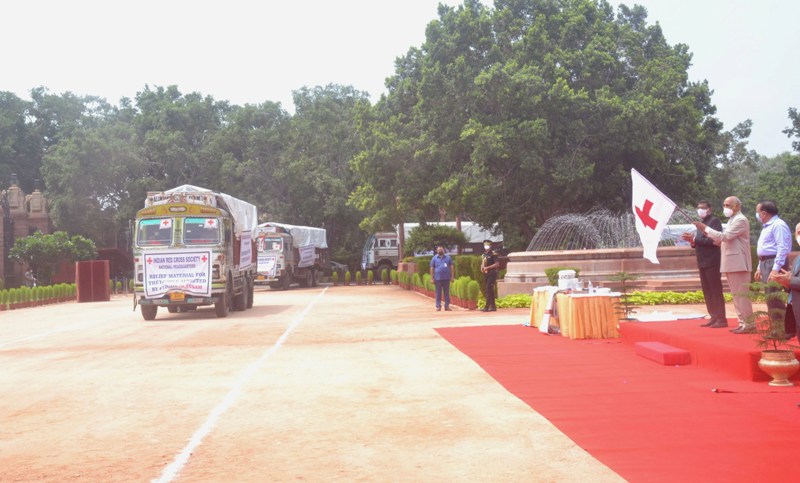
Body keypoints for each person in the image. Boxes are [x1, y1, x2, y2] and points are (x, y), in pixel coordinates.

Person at [693, 196, 753, 333]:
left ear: (737, 206)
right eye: (724, 205)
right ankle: (742, 322)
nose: (725, 208)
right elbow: (724, 240)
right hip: (732, 262)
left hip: (739, 262)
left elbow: (725, 237)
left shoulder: (741, 220)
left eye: (728, 205)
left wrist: (706, 229)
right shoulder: (732, 220)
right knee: (736, 295)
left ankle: (749, 323)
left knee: (742, 295)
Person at [681, 200, 726, 328]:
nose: (700, 210)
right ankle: (713, 316)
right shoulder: (701, 224)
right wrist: (693, 241)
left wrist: (694, 239)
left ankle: (721, 318)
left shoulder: (714, 222)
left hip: (712, 260)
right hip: (702, 260)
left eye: (703, 208)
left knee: (715, 289)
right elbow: (701, 242)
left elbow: (713, 241)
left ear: (709, 209)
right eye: (698, 208)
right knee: (707, 290)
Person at [754, 200, 792, 330]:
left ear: (764, 213)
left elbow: (782, 248)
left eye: (758, 212)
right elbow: (764, 249)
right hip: (766, 262)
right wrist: (760, 266)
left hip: (774, 263)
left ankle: (782, 328)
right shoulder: (767, 226)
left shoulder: (778, 225)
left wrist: (775, 269)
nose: (757, 215)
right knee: (770, 297)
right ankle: (778, 326)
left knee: (774, 297)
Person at [771, 222, 800, 340]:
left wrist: (791, 280)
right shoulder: (797, 258)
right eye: (799, 233)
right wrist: (785, 281)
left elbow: (794, 280)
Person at [429, 244, 454, 311]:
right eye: (439, 249)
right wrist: (431, 278)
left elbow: (451, 267)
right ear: (437, 251)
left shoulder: (448, 258)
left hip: (446, 278)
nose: (440, 250)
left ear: (443, 250)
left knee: (446, 293)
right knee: (438, 293)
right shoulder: (434, 258)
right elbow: (432, 268)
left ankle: (447, 306)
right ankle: (438, 306)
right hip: (437, 278)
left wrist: (452, 276)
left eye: (441, 249)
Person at [480, 240, 500, 312]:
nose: (486, 247)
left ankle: (487, 306)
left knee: (488, 289)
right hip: (486, 273)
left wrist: (488, 267)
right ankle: (493, 306)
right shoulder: (484, 254)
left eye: (487, 245)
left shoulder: (493, 254)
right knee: (490, 290)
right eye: (485, 245)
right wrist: (482, 267)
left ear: (490, 246)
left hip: (492, 273)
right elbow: (483, 262)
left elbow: (497, 264)